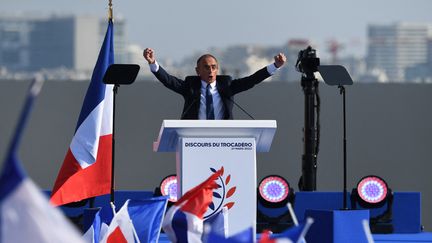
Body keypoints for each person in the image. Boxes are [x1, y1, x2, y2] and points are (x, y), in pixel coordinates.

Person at [143, 48, 286, 119]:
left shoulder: (227, 85)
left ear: (217, 69)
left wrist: (275, 66)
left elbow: (251, 80)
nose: (210, 71)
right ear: (198, 71)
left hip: (223, 138)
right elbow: (169, 81)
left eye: (213, 67)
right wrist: (153, 63)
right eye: (206, 67)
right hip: (194, 139)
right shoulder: (191, 86)